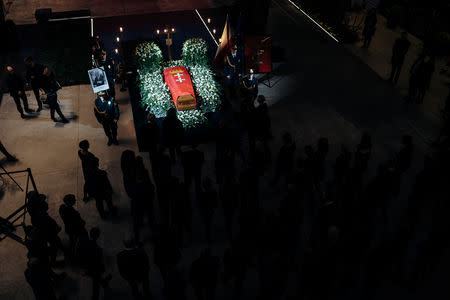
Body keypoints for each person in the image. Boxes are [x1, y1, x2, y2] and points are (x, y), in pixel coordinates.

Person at [78, 227, 111, 300]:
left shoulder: (84, 243)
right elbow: (98, 262)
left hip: (86, 265)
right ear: (97, 236)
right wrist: (102, 268)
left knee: (97, 279)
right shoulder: (98, 249)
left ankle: (104, 282)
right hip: (94, 268)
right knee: (95, 286)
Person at [116, 236, 152, 300]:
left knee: (134, 287)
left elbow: (121, 269)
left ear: (124, 244)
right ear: (134, 243)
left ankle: (137, 296)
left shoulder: (120, 255)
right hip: (142, 274)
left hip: (130, 276)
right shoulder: (141, 252)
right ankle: (147, 295)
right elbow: (147, 264)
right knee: (146, 286)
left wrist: (126, 277)